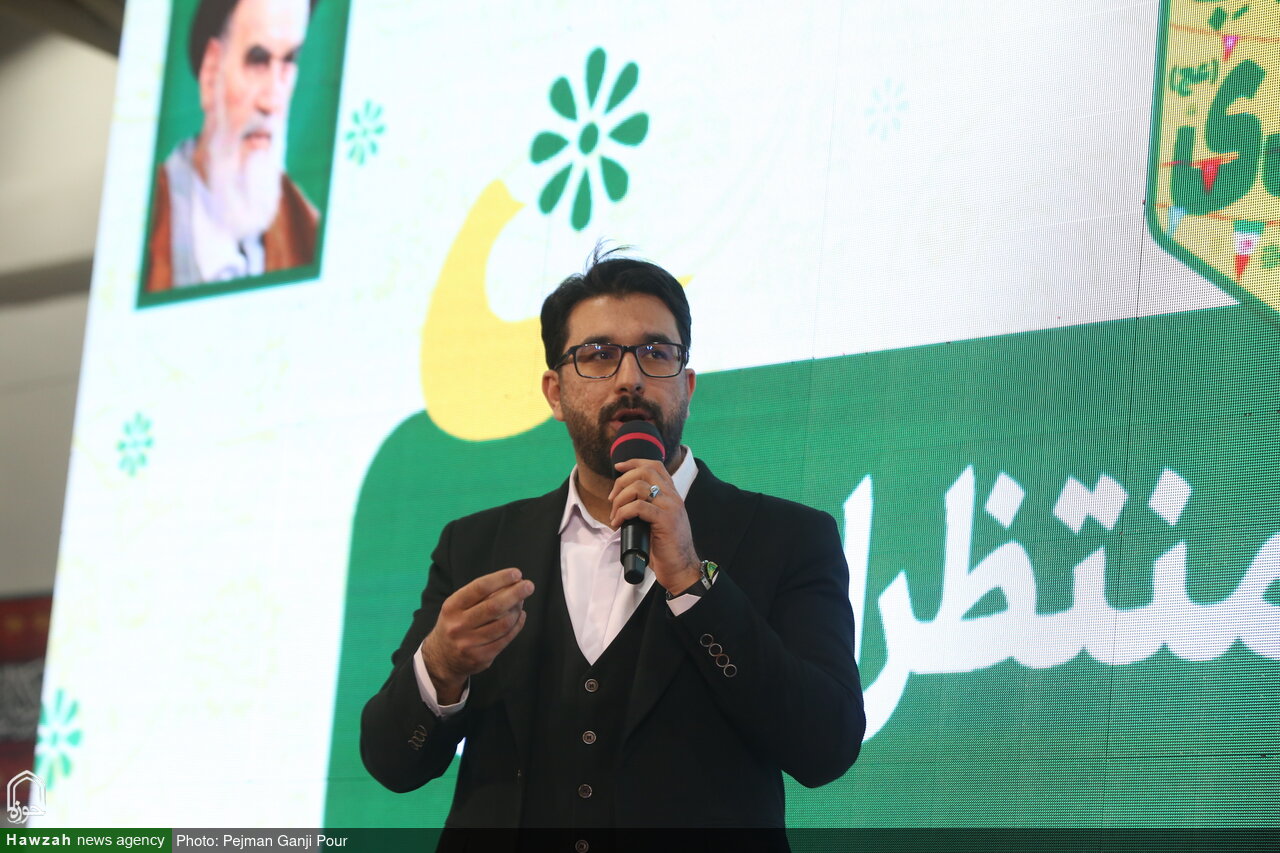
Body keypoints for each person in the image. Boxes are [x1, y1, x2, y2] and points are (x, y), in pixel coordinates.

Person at [360, 251, 864, 840]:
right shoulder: (476, 547)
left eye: (656, 353)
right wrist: (442, 666)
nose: (630, 379)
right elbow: (392, 762)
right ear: (554, 392)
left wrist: (692, 582)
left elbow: (826, 748)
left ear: (687, 386)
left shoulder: (789, 538)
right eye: (598, 355)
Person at [144, 0, 318, 291]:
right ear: (212, 73)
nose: (273, 101)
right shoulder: (146, 224)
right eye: (257, 60)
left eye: (288, 61)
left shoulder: (307, 232)